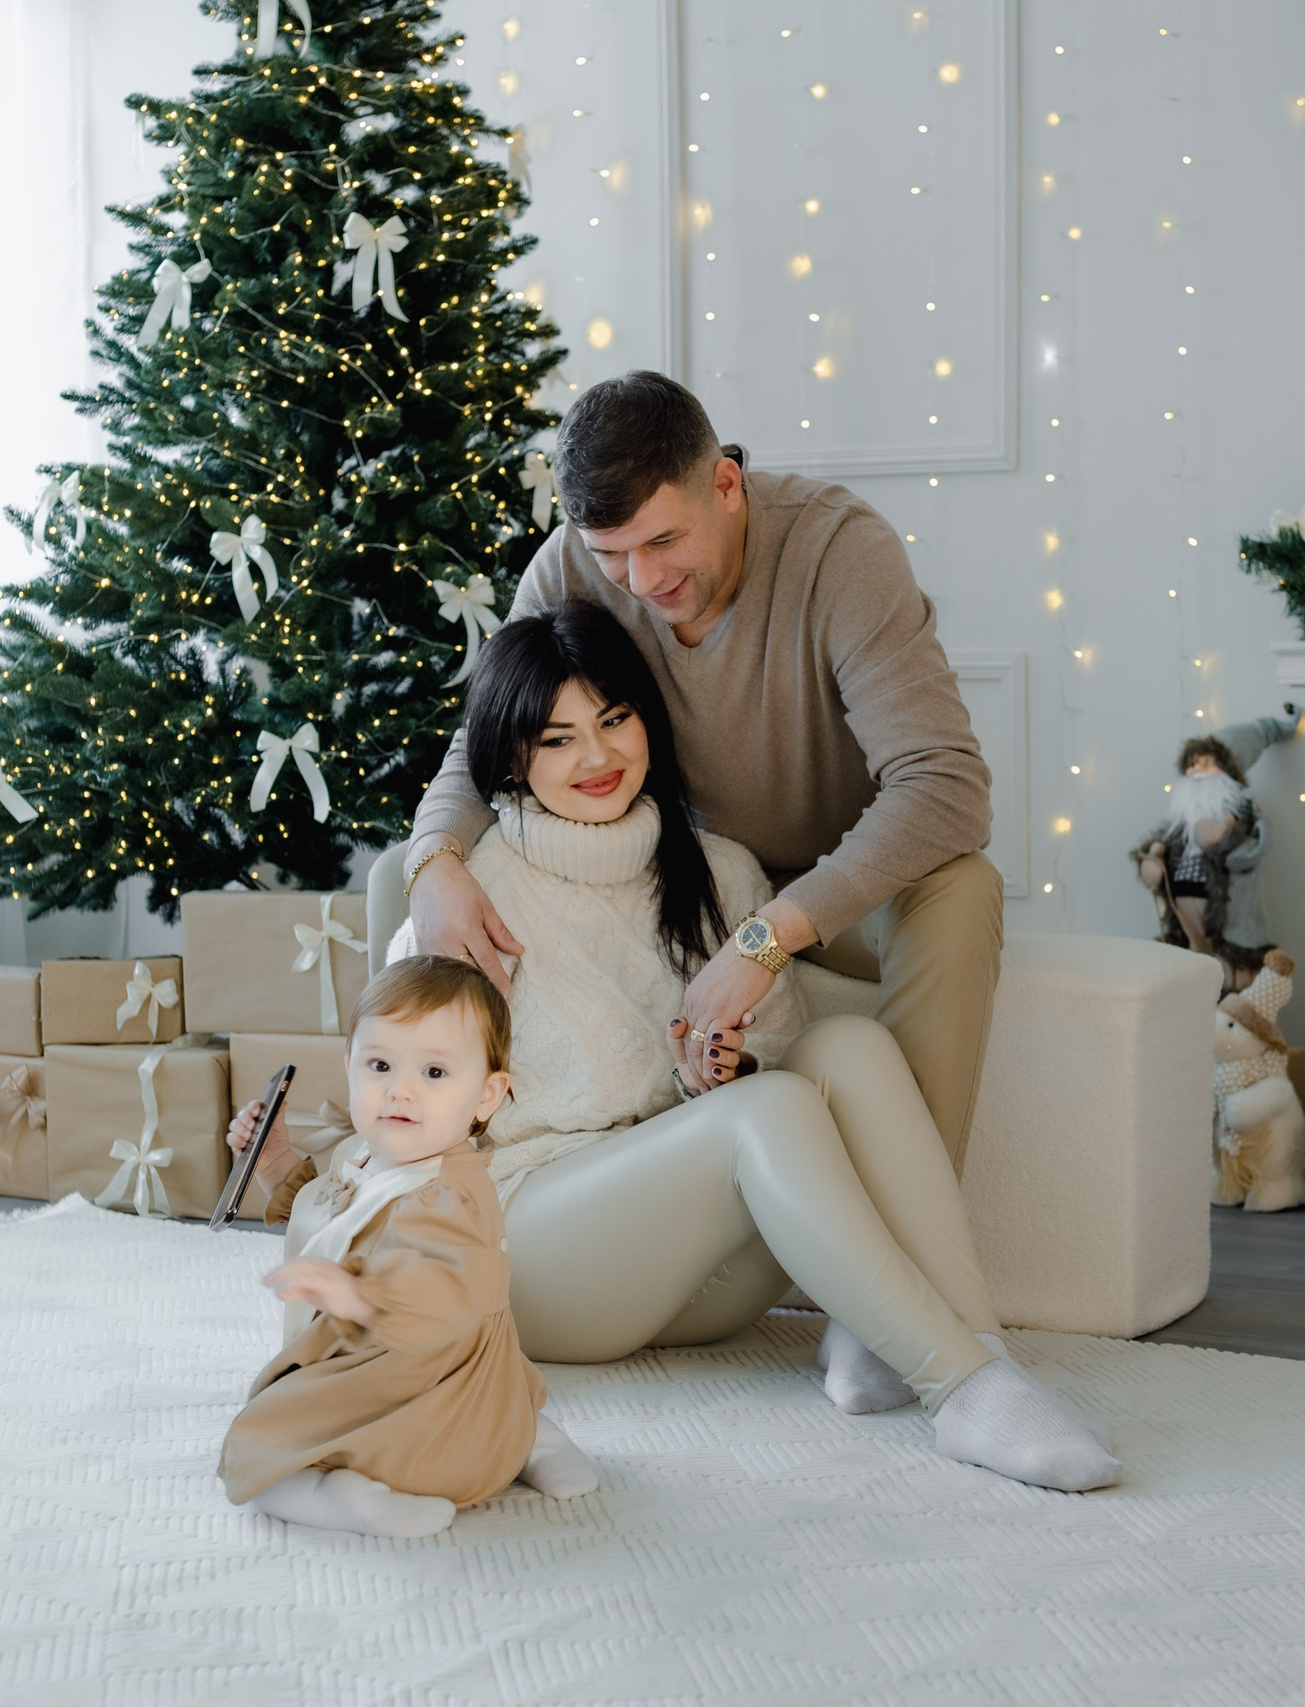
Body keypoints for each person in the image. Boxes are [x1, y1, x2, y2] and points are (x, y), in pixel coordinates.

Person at [265, 603, 1119, 1494]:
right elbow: (406, 1110)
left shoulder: (722, 875)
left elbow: (778, 1060)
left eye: (614, 720)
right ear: (511, 757)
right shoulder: (468, 897)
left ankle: (972, 1347)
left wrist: (716, 1073)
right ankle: (963, 1390)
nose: (596, 758)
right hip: (531, 1248)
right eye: (556, 740)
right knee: (775, 1108)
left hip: (690, 1275)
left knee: (851, 1048)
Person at [407, 370, 1001, 1171]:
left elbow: (945, 784)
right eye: (611, 554)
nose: (642, 582)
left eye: (662, 542)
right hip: (691, 877)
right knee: (405, 879)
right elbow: (485, 740)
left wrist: (765, 939)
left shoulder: (841, 552)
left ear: (726, 482)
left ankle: (908, 1226)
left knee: (963, 888)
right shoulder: (570, 569)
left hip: (840, 885)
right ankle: (434, 1193)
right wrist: (432, 859)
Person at [219, 956, 594, 1538]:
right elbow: (337, 1211)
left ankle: (342, 1495)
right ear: (349, 1068)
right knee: (499, 1393)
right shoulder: (369, 1153)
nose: (400, 1090)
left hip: (417, 1375)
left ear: (487, 1095)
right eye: (379, 1064)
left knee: (255, 1447)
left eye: (435, 1073)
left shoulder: (447, 1196)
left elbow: (440, 1285)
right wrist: (273, 1163)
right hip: (464, 1371)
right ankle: (528, 1434)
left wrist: (363, 1295)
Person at [1130, 711, 1300, 993]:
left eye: (1208, 764)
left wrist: (1224, 838)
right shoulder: (1179, 823)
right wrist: (1151, 862)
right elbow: (1154, 846)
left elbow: (1252, 850)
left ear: (1227, 770)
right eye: (1193, 763)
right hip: (1183, 914)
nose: (1198, 771)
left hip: (1227, 917)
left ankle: (1233, 1025)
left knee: (1234, 978)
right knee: (1193, 975)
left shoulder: (1242, 814)